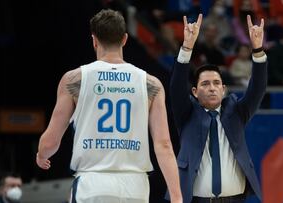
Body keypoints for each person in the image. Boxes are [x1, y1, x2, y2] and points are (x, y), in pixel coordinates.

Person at [36, 9, 182, 203]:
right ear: (124, 39)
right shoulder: (151, 83)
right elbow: (163, 145)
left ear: (94, 40)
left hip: (92, 183)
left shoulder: (74, 79)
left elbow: (50, 142)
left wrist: (41, 154)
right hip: (135, 187)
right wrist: (177, 196)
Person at [167, 14, 267, 202]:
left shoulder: (237, 112)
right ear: (195, 92)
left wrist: (258, 50)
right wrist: (187, 47)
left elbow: (258, 88)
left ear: (223, 89)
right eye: (205, 84)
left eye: (216, 83)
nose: (212, 88)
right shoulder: (186, 114)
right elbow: (176, 87)